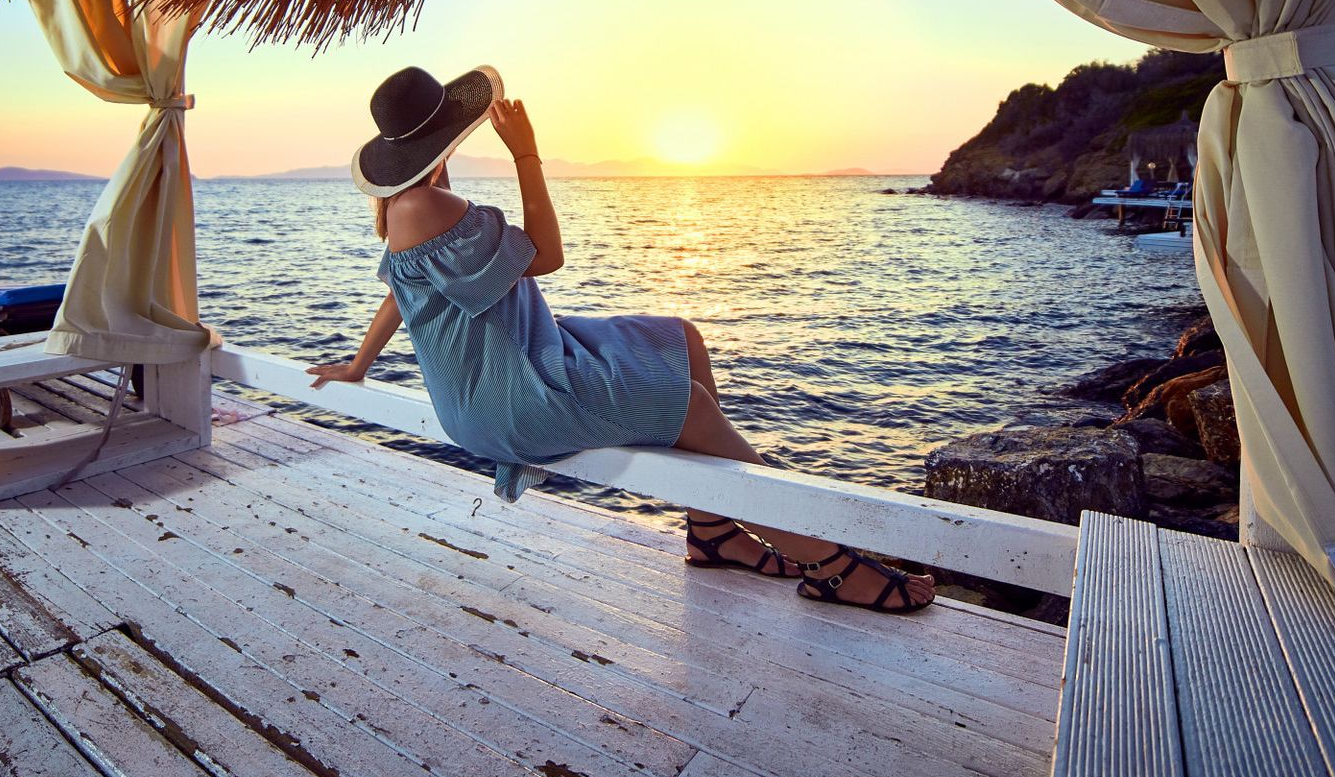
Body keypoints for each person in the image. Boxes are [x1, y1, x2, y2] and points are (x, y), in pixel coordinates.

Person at [308, 65, 934, 615]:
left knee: (679, 339)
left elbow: (400, 297)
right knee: (688, 405)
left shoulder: (401, 209)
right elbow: (547, 256)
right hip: (511, 394)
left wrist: (361, 365)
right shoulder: (430, 205)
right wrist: (527, 155)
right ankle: (830, 567)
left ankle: (713, 529)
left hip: (525, 352)